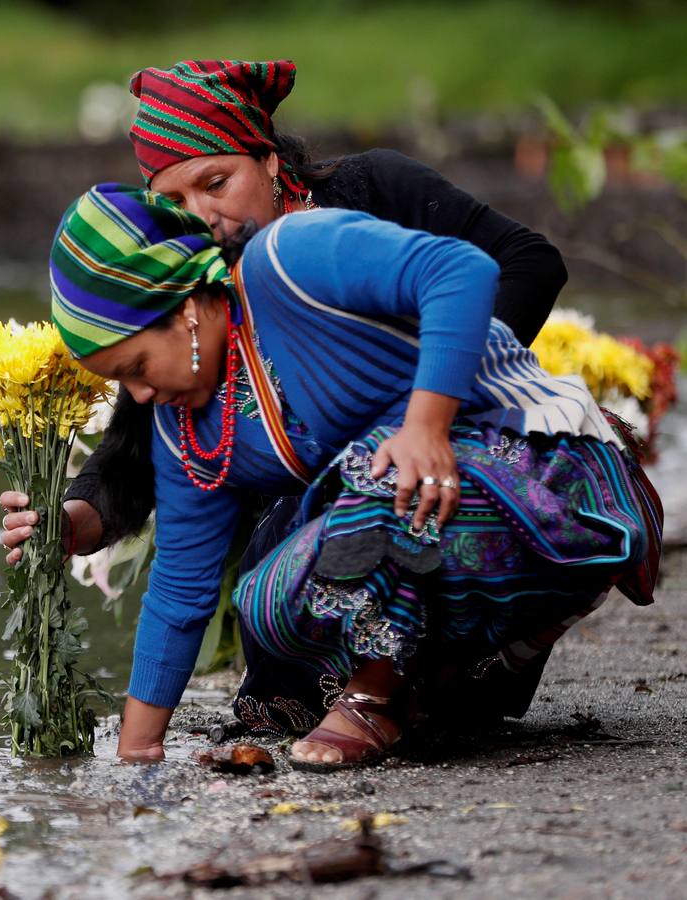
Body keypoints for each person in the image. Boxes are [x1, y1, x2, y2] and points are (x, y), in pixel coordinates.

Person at [44, 182, 660, 768]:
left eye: (137, 366)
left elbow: (460, 270)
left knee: (373, 473)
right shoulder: (188, 428)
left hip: (547, 476)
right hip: (416, 512)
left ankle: (376, 701)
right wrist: (138, 755)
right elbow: (181, 591)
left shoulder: (288, 257)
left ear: (185, 309)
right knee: (265, 601)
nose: (139, 394)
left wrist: (425, 425)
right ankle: (428, 686)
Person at [2, 59, 566, 562]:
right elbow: (132, 453)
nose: (202, 217)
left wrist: (432, 406)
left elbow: (529, 264)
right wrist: (67, 526)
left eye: (216, 183)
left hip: (444, 439)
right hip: (298, 509)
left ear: (268, 160)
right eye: (174, 202)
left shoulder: (372, 191)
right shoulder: (185, 275)